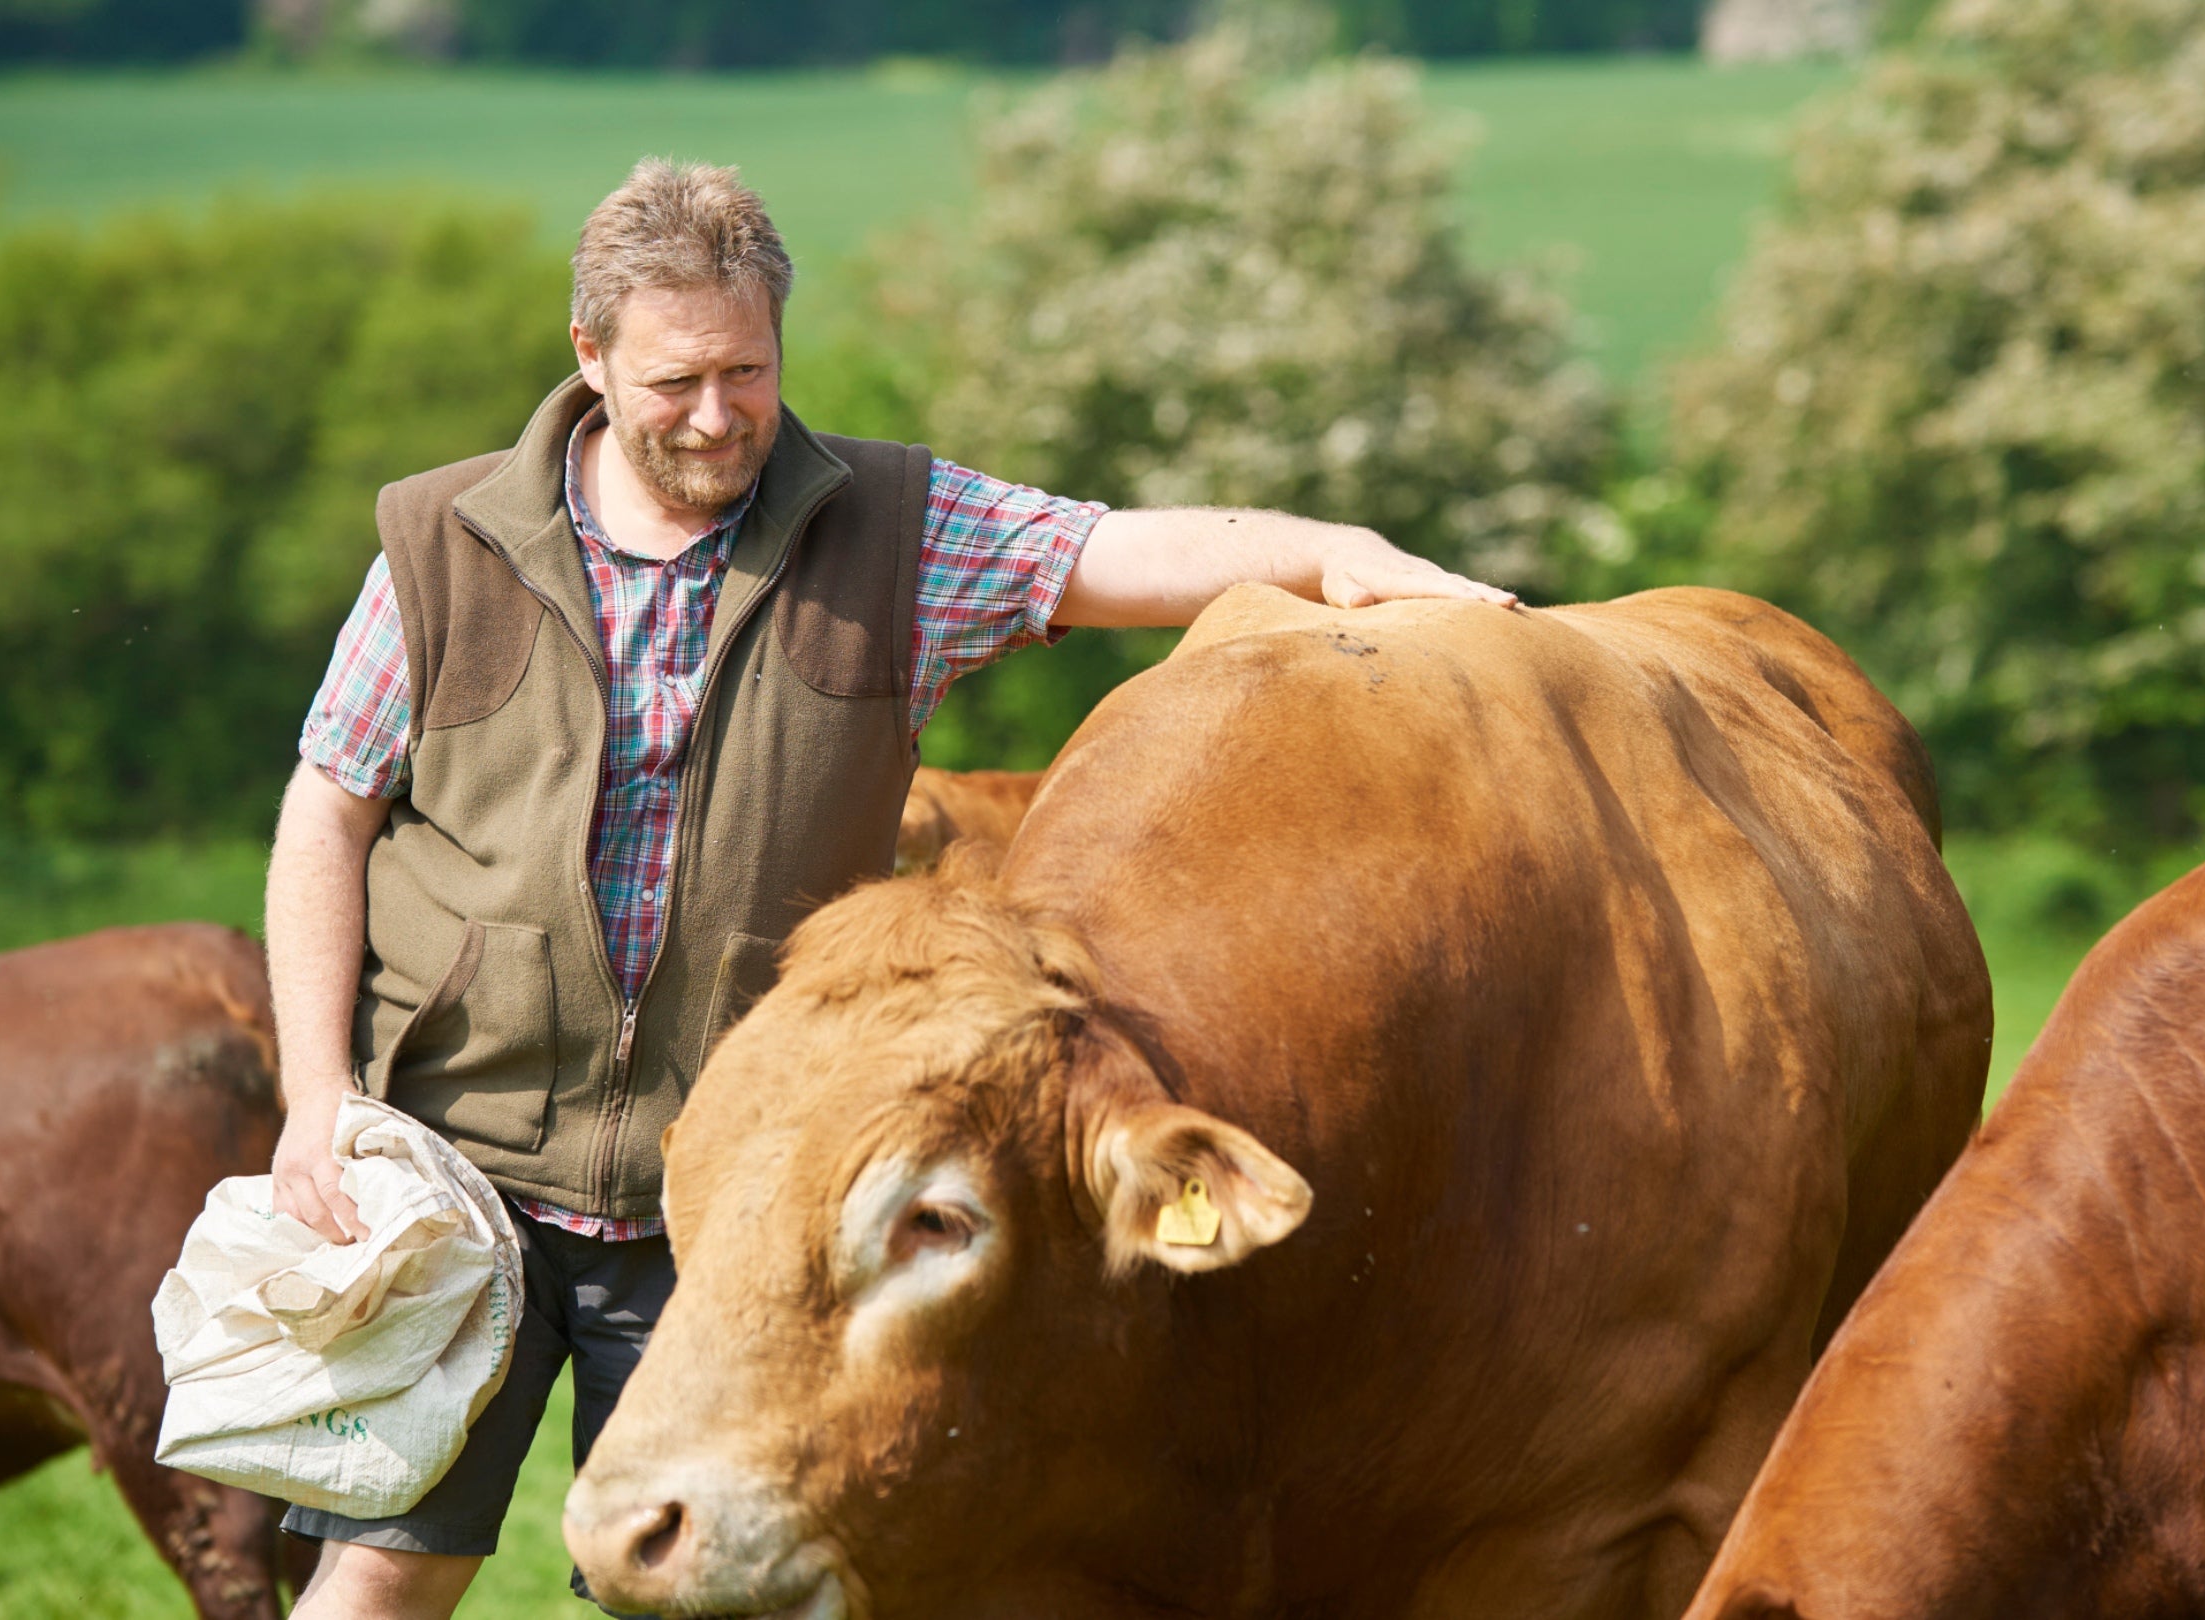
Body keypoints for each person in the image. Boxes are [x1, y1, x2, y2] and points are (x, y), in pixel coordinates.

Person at [260, 157, 1512, 1620]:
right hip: (457, 1164)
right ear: (589, 357)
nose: (720, 414)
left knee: (721, 1578)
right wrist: (314, 1102)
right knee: (384, 1574)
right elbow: (326, 814)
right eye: (676, 380)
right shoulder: (444, 544)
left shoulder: (895, 532)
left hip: (743, 1193)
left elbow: (1112, 548)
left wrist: (1337, 556)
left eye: (749, 369)